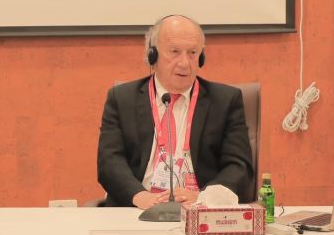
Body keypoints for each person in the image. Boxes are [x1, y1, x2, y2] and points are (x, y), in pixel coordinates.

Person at [97, 15, 253, 208]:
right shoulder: (122, 99)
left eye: (192, 53)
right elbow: (109, 162)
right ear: (152, 55)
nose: (185, 63)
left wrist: (203, 197)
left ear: (201, 58)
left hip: (198, 210)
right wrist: (140, 196)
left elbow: (239, 166)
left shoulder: (225, 101)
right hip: (136, 210)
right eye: (174, 52)